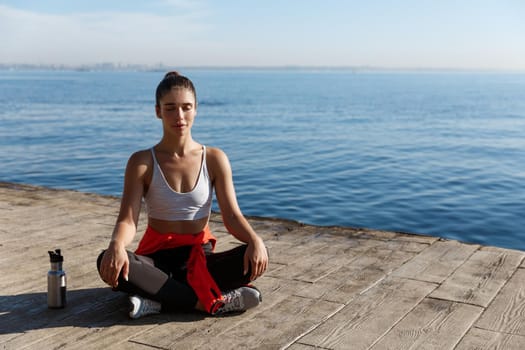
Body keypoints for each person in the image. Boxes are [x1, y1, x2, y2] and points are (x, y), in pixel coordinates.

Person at [97, 71, 269, 319]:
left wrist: (255, 240)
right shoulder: (142, 162)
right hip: (155, 261)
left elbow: (231, 215)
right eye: (170, 108)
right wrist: (116, 245)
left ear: (196, 109)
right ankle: (208, 302)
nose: (179, 116)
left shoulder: (214, 159)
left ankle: (158, 301)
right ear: (158, 111)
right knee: (106, 261)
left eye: (186, 107)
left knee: (253, 257)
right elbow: (128, 219)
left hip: (200, 260)